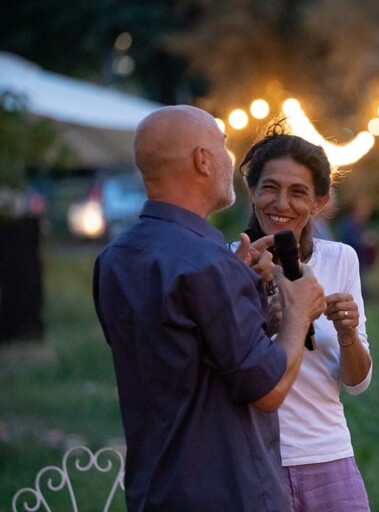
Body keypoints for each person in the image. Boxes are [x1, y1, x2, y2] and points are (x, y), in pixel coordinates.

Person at [93, 106, 327, 511]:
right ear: (202, 160)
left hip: (156, 488)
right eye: (222, 147)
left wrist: (240, 283)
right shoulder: (207, 263)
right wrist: (298, 312)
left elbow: (177, 354)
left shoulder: (115, 258)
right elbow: (267, 390)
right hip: (228, 491)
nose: (229, 160)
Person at [239, 120, 373, 512]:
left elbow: (357, 384)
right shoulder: (229, 264)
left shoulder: (340, 259)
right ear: (251, 191)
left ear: (320, 201)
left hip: (330, 458)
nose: (281, 204)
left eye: (298, 192)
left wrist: (347, 334)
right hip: (256, 464)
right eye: (270, 188)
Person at [339, 194, 379, 300]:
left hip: (361, 259)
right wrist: (365, 239)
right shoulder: (349, 222)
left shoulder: (360, 223)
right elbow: (350, 239)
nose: (366, 212)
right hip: (353, 259)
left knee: (361, 281)